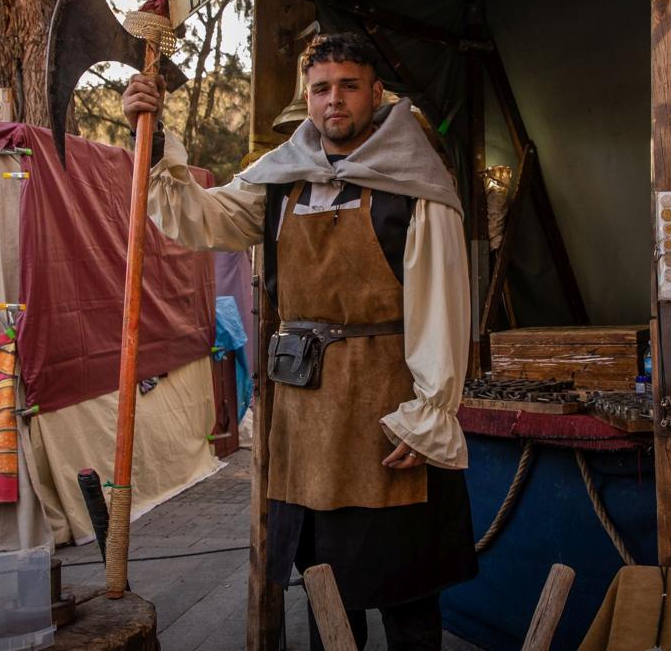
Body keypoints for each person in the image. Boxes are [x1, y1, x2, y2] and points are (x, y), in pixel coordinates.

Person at [122, 33, 476, 650]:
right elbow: (198, 217)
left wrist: (428, 414)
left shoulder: (415, 187)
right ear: (307, 100)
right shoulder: (281, 180)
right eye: (321, 89)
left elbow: (440, 309)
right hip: (305, 415)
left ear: (376, 94)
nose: (333, 100)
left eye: (348, 86)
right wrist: (153, 143)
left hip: (386, 413)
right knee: (323, 587)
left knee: (404, 591)